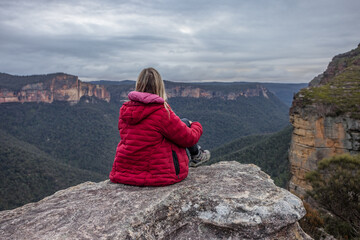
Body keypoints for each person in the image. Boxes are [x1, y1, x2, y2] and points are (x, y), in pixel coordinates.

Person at [109, 67, 210, 186]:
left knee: (180, 123)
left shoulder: (125, 110)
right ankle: (197, 155)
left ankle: (196, 154)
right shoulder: (161, 111)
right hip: (159, 176)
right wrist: (196, 125)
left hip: (124, 173)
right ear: (159, 86)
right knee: (185, 123)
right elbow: (189, 138)